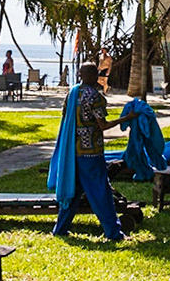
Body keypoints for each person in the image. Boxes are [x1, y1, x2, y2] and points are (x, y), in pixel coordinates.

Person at [48, 63, 125, 242]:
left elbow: (65, 118)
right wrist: (126, 118)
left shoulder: (72, 94)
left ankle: (60, 229)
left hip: (72, 151)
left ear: (80, 75)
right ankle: (114, 233)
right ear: (94, 76)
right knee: (101, 192)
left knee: (72, 191)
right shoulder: (95, 97)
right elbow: (103, 125)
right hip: (91, 151)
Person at [114, 94, 163, 180]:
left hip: (136, 136)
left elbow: (123, 127)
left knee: (136, 150)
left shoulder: (135, 109)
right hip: (137, 136)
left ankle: (135, 169)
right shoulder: (144, 110)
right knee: (136, 150)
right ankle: (137, 168)